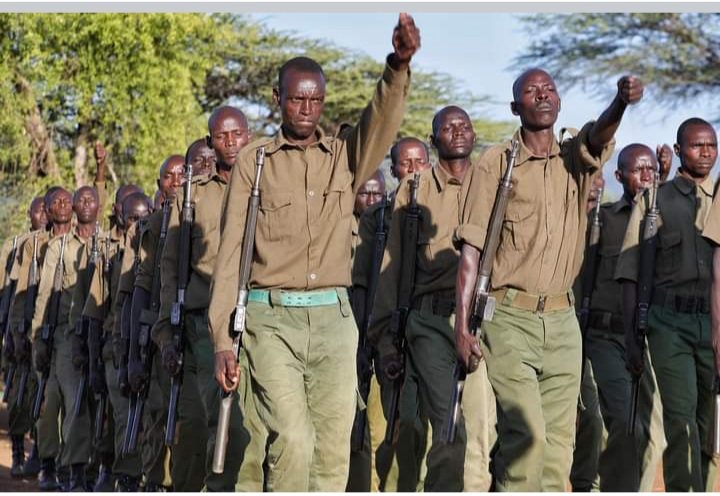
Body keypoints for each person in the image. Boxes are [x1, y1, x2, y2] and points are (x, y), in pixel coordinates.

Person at [208, 13, 420, 491]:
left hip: (333, 322)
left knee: (331, 449)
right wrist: (223, 339)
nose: (306, 107)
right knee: (294, 439)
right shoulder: (254, 162)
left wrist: (398, 66)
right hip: (271, 320)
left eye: (315, 99)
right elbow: (229, 254)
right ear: (278, 99)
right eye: (297, 97)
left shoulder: (345, 158)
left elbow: (381, 121)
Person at [454, 69, 643, 491]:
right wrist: (462, 326)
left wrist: (621, 103)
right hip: (509, 320)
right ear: (515, 107)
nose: (542, 96)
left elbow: (599, 135)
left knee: (560, 448)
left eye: (550, 90)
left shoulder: (575, 156)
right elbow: (471, 249)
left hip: (562, 322)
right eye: (530, 91)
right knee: (528, 439)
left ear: (558, 103)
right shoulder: (496, 163)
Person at [371, 106, 495, 491]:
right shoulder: (414, 190)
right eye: (448, 126)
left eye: (465, 126)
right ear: (433, 138)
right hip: (430, 322)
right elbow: (392, 269)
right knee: (448, 428)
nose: (458, 132)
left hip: (483, 321)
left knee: (481, 435)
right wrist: (386, 341)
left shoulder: (494, 185)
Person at [155, 107, 256, 491]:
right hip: (205, 327)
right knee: (221, 425)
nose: (231, 143)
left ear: (249, 136)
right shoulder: (192, 196)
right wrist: (166, 333)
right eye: (221, 136)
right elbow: (171, 269)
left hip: (262, 321)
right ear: (210, 140)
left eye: (237, 135)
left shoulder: (268, 184)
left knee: (258, 428)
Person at [619, 117, 718, 491]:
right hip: (669, 323)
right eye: (697, 145)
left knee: (712, 424)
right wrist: (632, 337)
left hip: (714, 322)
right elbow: (630, 274)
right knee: (680, 418)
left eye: (711, 145)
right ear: (678, 151)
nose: (706, 152)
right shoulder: (654, 199)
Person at [572, 144, 670, 492]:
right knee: (620, 419)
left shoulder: (665, 217)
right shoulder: (605, 220)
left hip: (651, 341)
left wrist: (667, 180)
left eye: (651, 170)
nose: (646, 175)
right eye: (637, 169)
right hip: (606, 337)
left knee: (651, 433)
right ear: (619, 175)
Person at [361, 137, 432, 492]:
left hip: (433, 331)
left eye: (421, 161)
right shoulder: (378, 218)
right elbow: (366, 285)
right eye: (406, 163)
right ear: (394, 171)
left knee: (436, 431)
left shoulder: (445, 211)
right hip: (392, 335)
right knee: (401, 426)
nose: (415, 170)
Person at [78, 189, 150, 491]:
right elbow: (95, 313)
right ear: (121, 214)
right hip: (114, 348)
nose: (137, 224)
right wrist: (94, 362)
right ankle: (122, 476)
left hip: (146, 344)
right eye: (132, 218)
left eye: (142, 218)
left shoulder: (153, 244)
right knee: (121, 418)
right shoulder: (111, 253)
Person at [122, 155, 185, 491]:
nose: (175, 182)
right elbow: (139, 290)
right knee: (158, 414)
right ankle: (154, 483)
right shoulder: (155, 226)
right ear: (159, 183)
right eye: (168, 177)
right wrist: (132, 355)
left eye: (181, 175)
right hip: (161, 334)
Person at [32, 185, 100, 490]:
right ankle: (62, 468)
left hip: (97, 333)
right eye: (80, 200)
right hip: (65, 336)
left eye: (91, 199)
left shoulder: (106, 242)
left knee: (85, 404)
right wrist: (38, 338)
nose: (84, 204)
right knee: (65, 402)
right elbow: (44, 296)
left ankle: (81, 468)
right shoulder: (59, 248)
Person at [2, 196, 48, 478]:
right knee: (18, 394)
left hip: (42, 329)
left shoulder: (56, 244)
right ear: (29, 213)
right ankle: (18, 450)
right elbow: (9, 292)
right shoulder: (16, 245)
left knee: (41, 396)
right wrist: (11, 331)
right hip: (17, 327)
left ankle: (40, 453)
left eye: (47, 209)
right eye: (38, 210)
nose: (42, 215)